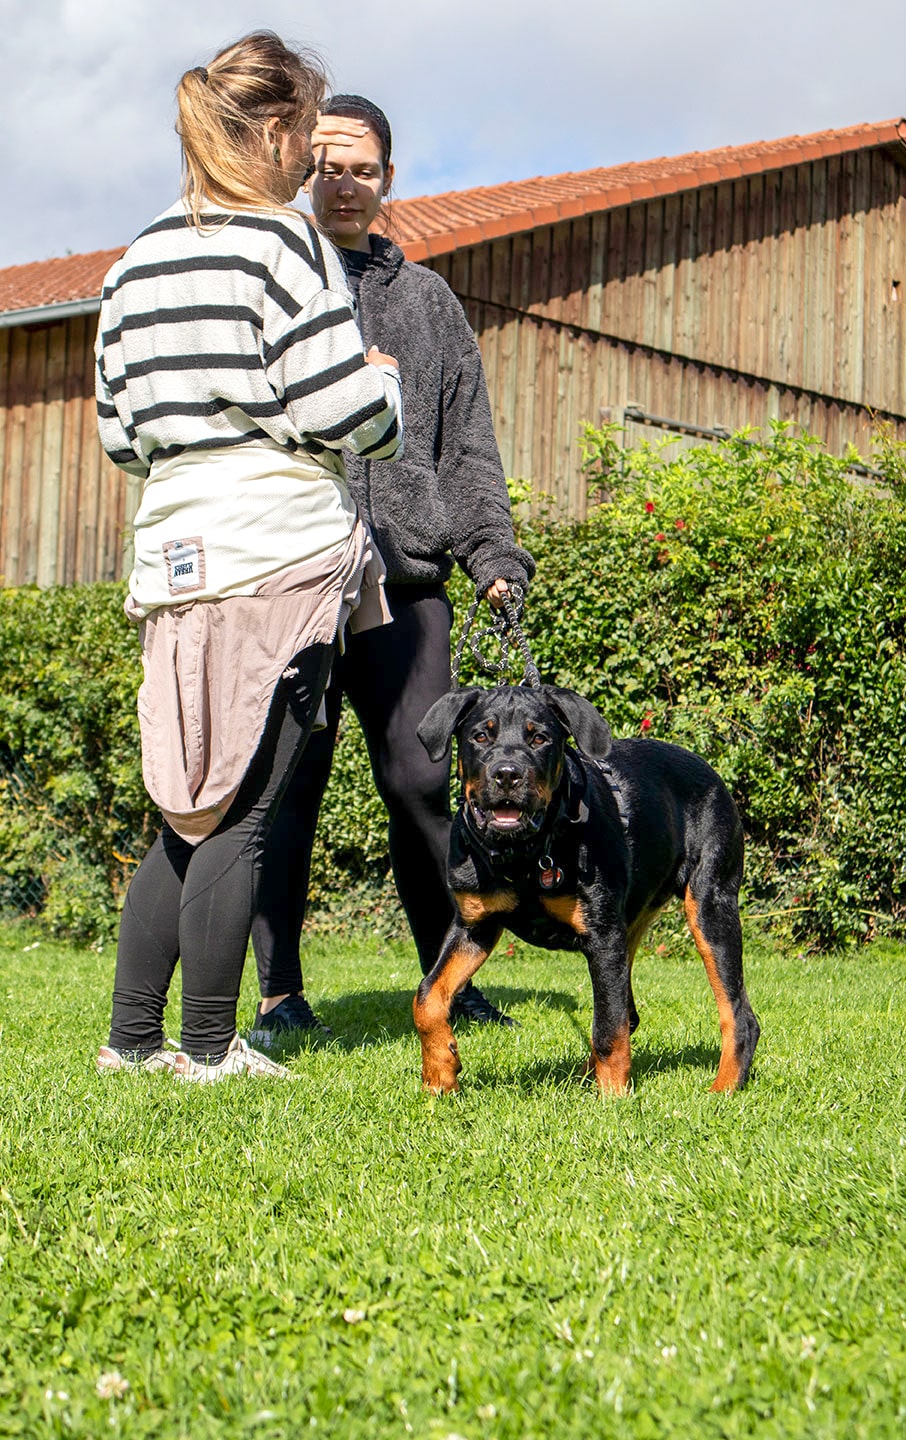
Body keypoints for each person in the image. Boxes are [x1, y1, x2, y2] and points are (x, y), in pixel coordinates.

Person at [94, 37, 403, 1081]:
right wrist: (384, 386)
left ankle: (132, 1040)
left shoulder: (132, 258)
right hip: (273, 539)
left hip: (173, 543)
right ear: (275, 135)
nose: (316, 171)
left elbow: (118, 434)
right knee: (247, 802)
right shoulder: (287, 246)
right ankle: (210, 1048)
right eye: (308, 144)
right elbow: (343, 411)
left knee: (185, 802)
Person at [248, 94, 535, 1047]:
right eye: (325, 164)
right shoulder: (271, 279)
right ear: (299, 168)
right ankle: (279, 994)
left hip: (407, 586)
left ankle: (448, 971)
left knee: (421, 780)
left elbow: (468, 452)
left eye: (360, 168)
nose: (342, 182)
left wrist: (492, 554)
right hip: (292, 571)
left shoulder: (429, 303)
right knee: (290, 785)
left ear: (388, 181)